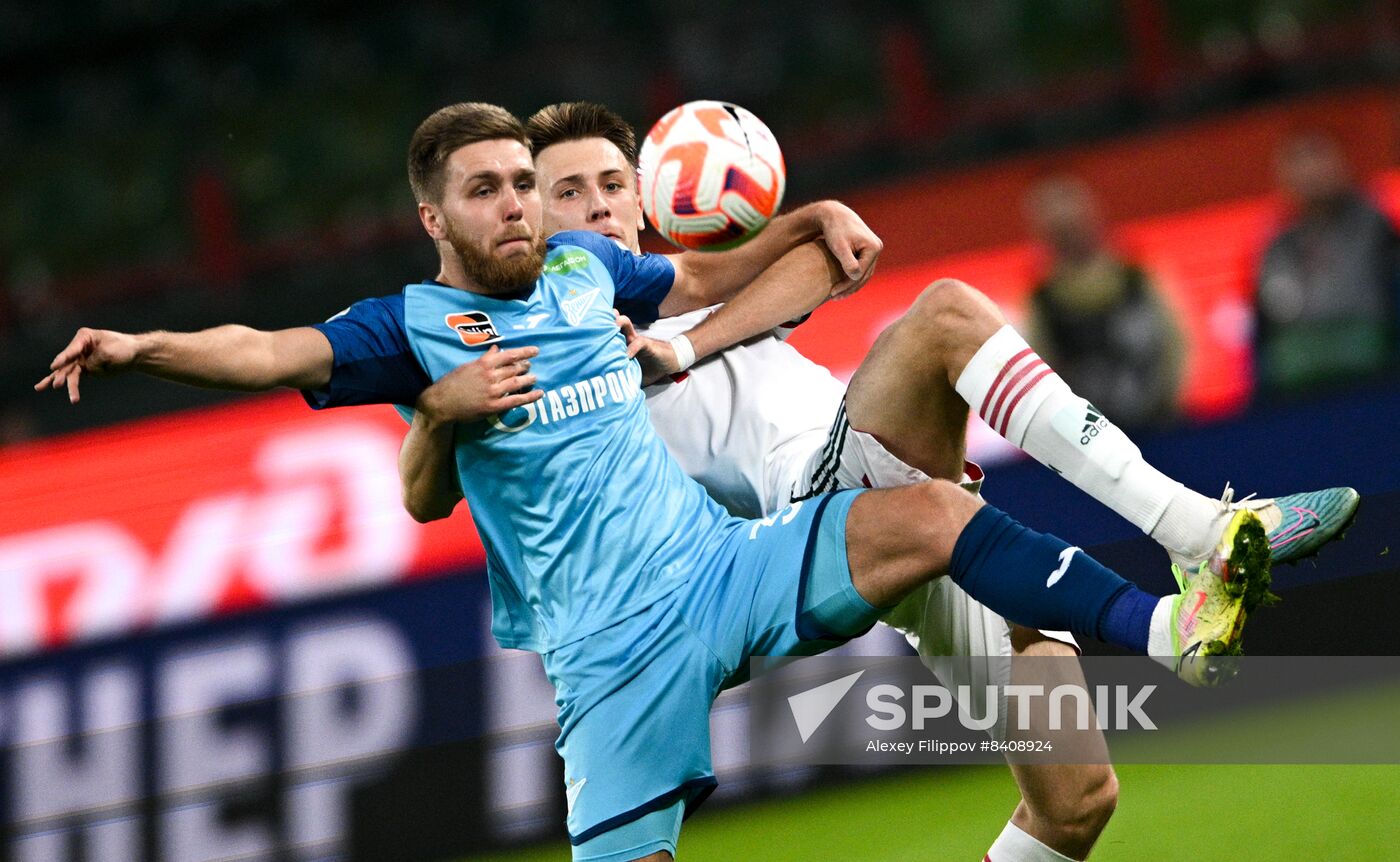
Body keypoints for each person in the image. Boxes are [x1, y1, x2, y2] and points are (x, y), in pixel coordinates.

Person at [41, 102, 1279, 862]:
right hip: (630, 640)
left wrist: (808, 221)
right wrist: (150, 347)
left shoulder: (600, 283)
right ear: (434, 217)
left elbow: (719, 281)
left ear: (633, 200)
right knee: (944, 354)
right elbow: (294, 376)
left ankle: (1174, 607)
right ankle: (1172, 559)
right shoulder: (421, 332)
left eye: (561, 187)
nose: (542, 208)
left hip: (756, 564)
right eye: (513, 187)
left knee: (1074, 797)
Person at [401, 101, 1359, 862]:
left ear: (648, 196)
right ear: (528, 212)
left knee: (1076, 806)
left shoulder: (693, 293)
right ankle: (1197, 531)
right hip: (827, 512)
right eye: (568, 193)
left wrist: (702, 323)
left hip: (930, 522)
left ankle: (1171, 578)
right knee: (945, 316)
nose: (599, 206)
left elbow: (832, 262)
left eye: (615, 182)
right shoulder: (566, 355)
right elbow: (470, 487)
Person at [1021, 175, 1184, 431]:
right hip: (1086, 446)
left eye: (1073, 221)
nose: (1068, 230)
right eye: (1058, 228)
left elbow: (1176, 347)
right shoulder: (1041, 304)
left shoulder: (1139, 278)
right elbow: (1039, 381)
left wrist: (1165, 407)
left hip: (1159, 427)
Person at [1255, 132, 1400, 395]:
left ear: (1341, 164)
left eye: (1317, 158)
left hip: (1376, 381)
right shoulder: (1277, 248)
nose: (1310, 173)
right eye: (1298, 163)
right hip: (1301, 393)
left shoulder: (1377, 229)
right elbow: (1266, 329)